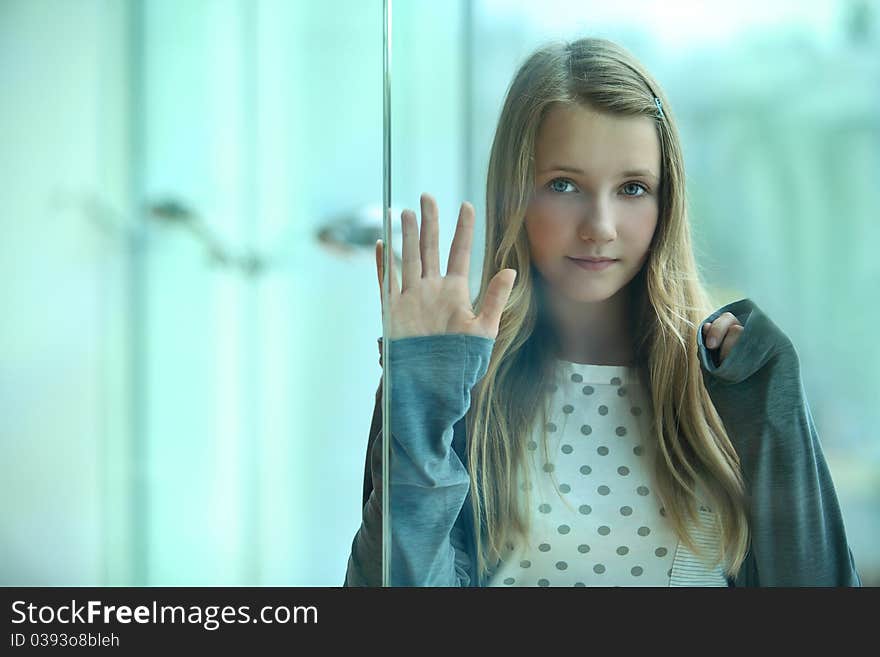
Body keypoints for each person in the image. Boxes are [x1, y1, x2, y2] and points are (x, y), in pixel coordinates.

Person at [344, 37, 861, 587]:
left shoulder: (729, 385)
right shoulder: (460, 390)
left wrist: (774, 413)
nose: (601, 226)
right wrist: (423, 407)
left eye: (633, 188)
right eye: (563, 185)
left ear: (668, 204)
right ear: (514, 193)